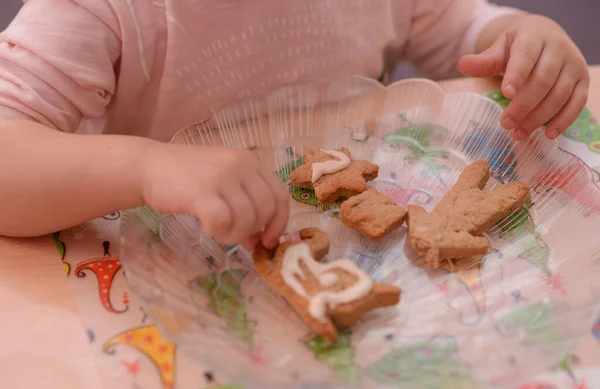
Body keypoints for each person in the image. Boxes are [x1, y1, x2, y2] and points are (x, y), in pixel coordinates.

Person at [0, 0, 589, 248]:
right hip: (162, 257)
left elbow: (460, 28)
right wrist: (147, 168)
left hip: (354, 250)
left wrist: (519, 39)